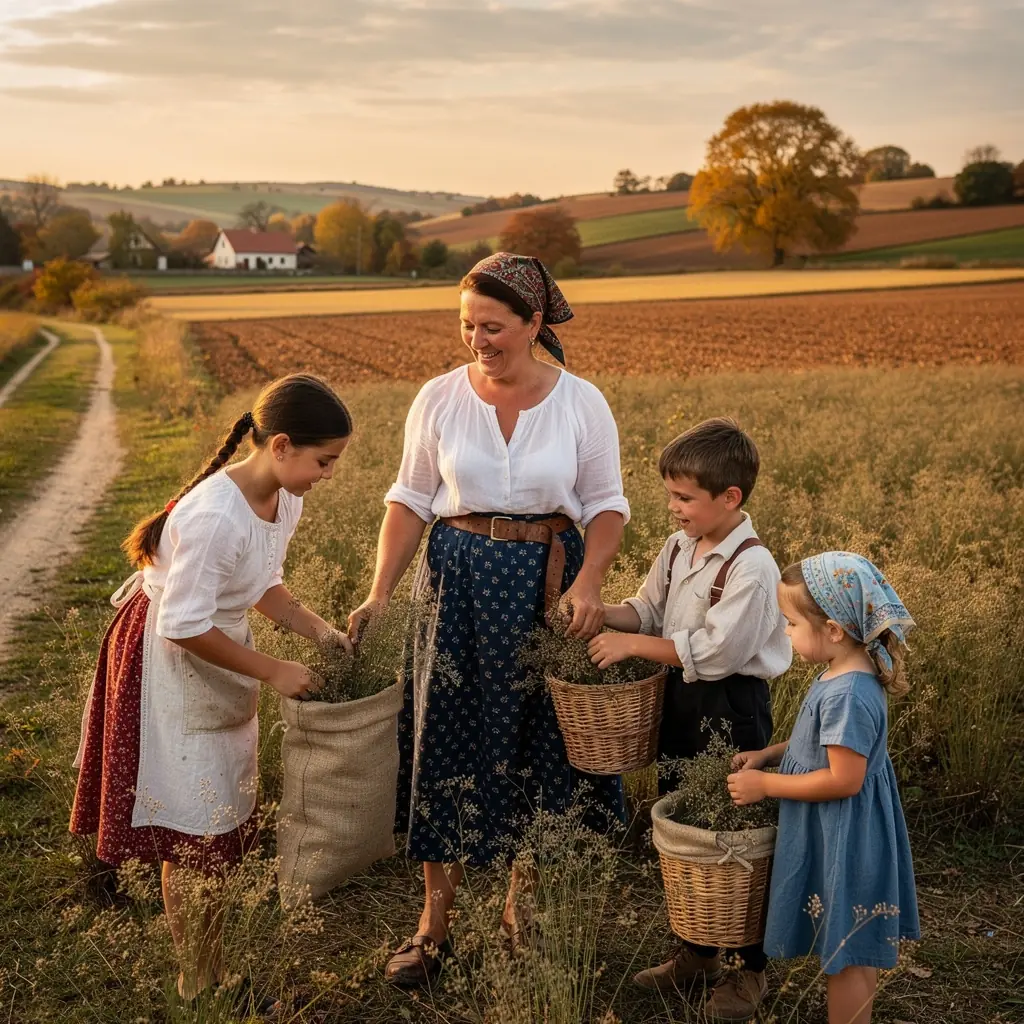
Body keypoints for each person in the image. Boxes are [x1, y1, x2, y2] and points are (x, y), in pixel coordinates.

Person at [348, 252, 630, 988]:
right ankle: (431, 926)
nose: (478, 339)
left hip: (546, 591)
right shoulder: (438, 398)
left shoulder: (581, 402)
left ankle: (519, 916)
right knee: (444, 739)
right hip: (457, 586)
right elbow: (409, 500)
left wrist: (592, 581)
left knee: (541, 747)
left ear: (535, 324)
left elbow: (605, 506)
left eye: (494, 327)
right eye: (467, 324)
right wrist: (380, 592)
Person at [70, 374, 354, 1009]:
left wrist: (315, 629)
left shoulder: (285, 499)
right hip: (169, 663)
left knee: (219, 815)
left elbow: (262, 581)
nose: (327, 474)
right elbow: (181, 623)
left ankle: (214, 966)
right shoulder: (213, 516)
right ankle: (198, 981)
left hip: (217, 650)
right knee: (193, 826)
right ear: (280, 445)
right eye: (324, 460)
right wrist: (273, 669)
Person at [588, 417, 791, 1021]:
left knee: (735, 835)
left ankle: (749, 970)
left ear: (730, 498)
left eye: (684, 498)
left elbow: (717, 652)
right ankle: (696, 953)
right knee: (686, 825)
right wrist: (600, 614)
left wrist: (630, 648)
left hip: (732, 710)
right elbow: (649, 612)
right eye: (670, 495)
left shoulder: (752, 568)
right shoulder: (679, 547)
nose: (673, 508)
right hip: (680, 699)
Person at [727, 552, 920, 1024]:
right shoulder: (843, 671)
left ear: (834, 629)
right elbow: (822, 743)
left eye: (792, 624)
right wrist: (771, 754)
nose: (787, 634)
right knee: (851, 936)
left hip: (847, 833)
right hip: (841, 826)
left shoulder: (849, 692)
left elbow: (843, 777)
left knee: (848, 947)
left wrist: (765, 785)